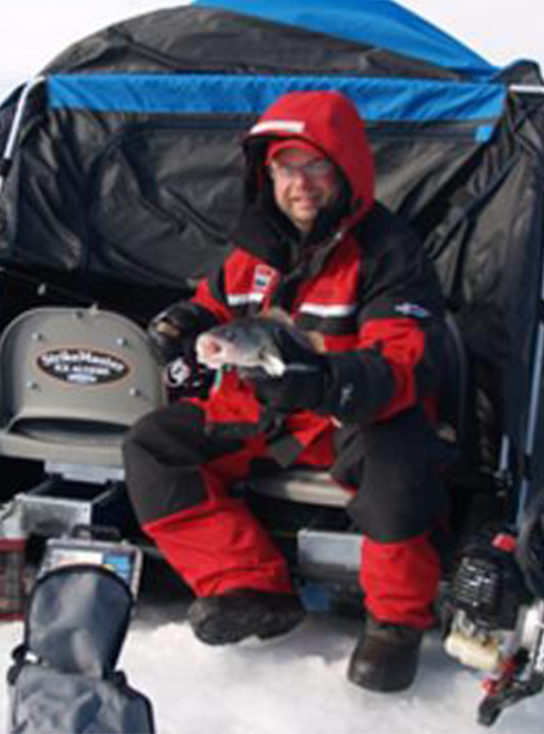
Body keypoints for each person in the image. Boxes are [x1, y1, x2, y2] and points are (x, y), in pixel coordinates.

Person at [122, 91, 449, 693]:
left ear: (345, 166)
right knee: (153, 444)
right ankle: (248, 589)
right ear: (265, 175)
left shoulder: (388, 251)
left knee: (399, 454)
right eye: (284, 168)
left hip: (346, 420)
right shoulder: (257, 251)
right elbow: (212, 302)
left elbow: (404, 360)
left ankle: (395, 623)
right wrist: (183, 324)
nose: (300, 184)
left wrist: (326, 381)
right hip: (265, 414)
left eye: (315, 165)